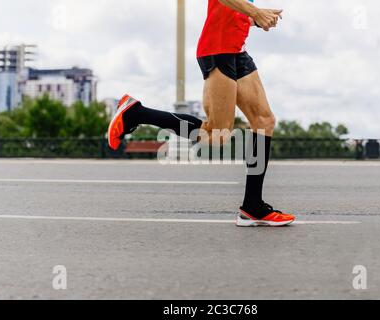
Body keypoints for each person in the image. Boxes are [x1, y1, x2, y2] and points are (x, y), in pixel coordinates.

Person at [107, 0, 296, 227]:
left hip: (237, 49)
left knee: (264, 121)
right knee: (216, 134)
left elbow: (232, 10)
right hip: (217, 49)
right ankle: (136, 113)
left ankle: (252, 206)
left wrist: (256, 18)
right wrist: (256, 12)